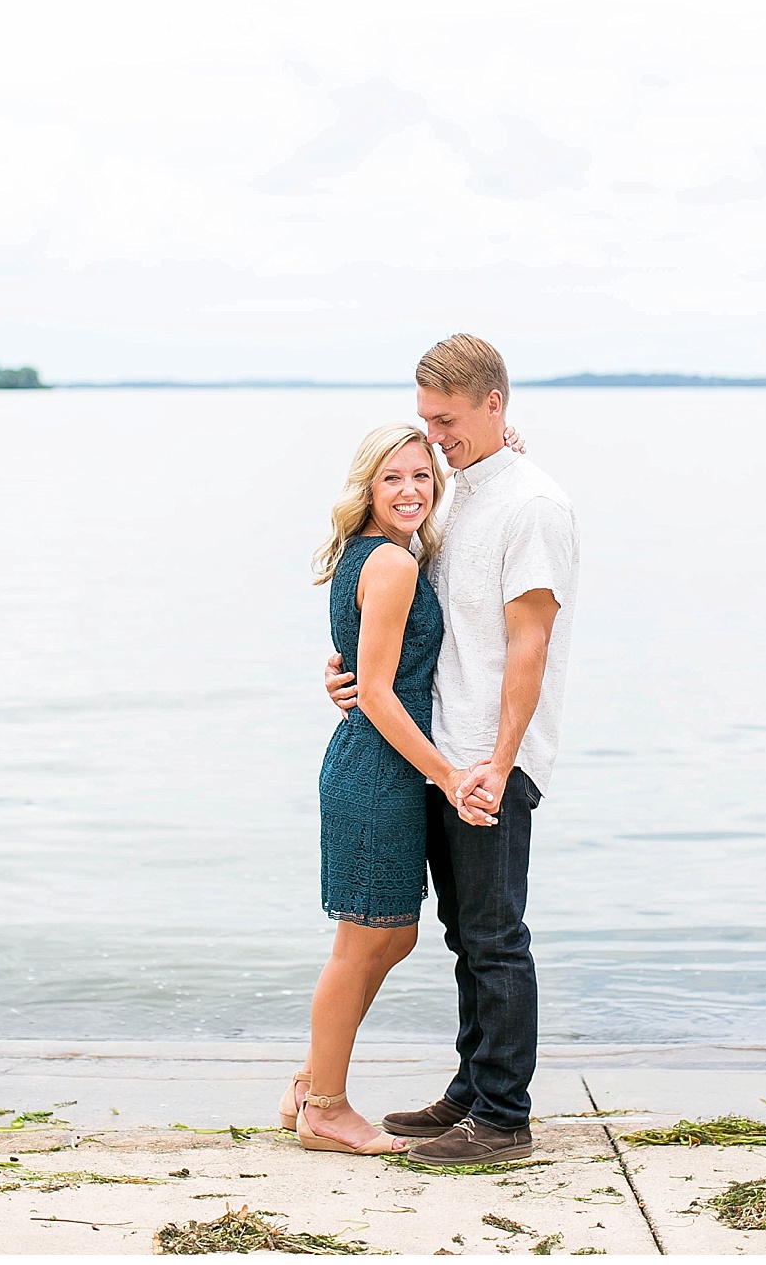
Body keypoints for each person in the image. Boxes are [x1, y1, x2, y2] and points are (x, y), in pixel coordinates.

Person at [323, 334, 579, 1167]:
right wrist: (352, 673)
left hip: (484, 762)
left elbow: (528, 646)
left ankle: (503, 1118)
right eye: (427, 422)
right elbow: (407, 624)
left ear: (493, 404)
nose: (432, 438)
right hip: (437, 751)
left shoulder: (533, 506)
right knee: (464, 936)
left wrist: (499, 765)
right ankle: (471, 1091)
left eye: (446, 420)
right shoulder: (457, 491)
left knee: (497, 936)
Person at [283, 424, 497, 1156]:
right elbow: (373, 688)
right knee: (361, 943)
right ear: (367, 488)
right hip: (378, 769)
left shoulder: (374, 555)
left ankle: (308, 1083)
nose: (410, 491)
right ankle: (328, 1110)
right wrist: (449, 774)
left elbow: (362, 669)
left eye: (422, 477)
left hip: (377, 765)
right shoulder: (394, 566)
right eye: (392, 479)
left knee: (392, 935)